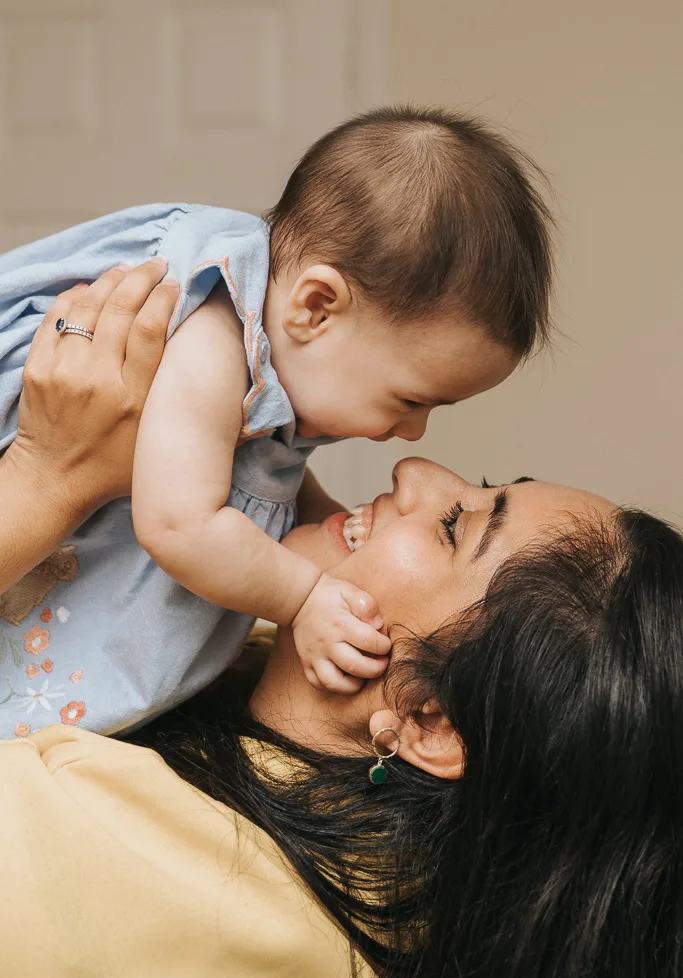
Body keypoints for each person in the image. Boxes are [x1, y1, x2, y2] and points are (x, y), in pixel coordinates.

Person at [3, 451, 683, 978]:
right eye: (477, 482)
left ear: (428, 721)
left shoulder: (126, 860)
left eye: (455, 524)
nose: (413, 466)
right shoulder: (394, 926)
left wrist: (45, 478)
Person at [0, 105, 554, 736]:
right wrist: (303, 596)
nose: (414, 434)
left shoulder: (279, 374)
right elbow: (179, 523)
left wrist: (346, 544)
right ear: (316, 308)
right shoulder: (212, 340)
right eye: (410, 399)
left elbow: (272, 482)